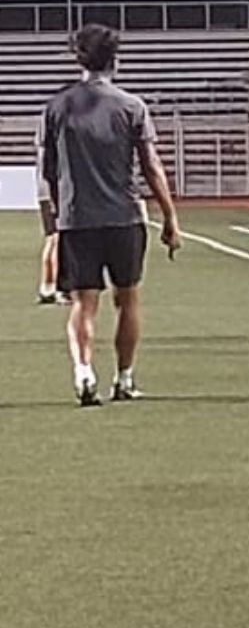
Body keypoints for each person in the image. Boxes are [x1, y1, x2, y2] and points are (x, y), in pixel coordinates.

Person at [38, 24, 182, 406]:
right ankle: (124, 378)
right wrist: (169, 217)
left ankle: (84, 371)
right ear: (115, 59)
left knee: (84, 303)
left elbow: (49, 169)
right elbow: (151, 166)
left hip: (77, 218)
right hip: (124, 216)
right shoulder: (131, 105)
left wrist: (59, 211)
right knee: (128, 299)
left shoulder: (57, 106)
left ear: (77, 59)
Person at [33, 119, 64, 305]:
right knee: (58, 240)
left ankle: (47, 286)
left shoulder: (43, 147)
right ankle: (59, 287)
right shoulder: (54, 149)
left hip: (44, 192)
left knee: (51, 239)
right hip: (54, 191)